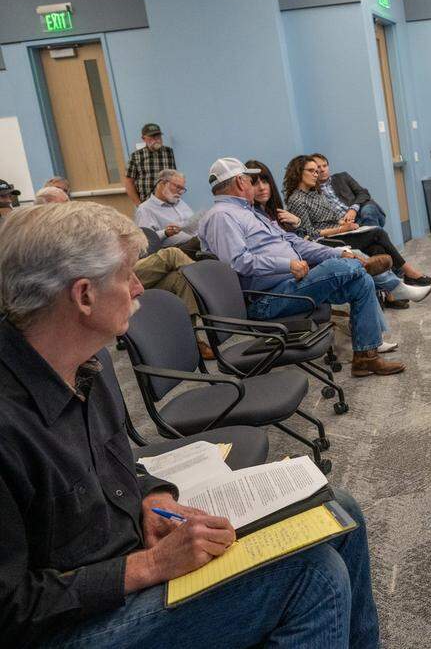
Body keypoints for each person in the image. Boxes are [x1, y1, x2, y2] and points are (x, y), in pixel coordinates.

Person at [0, 201, 380, 647]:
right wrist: (151, 567)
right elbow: (10, 609)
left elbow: (115, 467)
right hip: (69, 624)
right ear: (83, 296)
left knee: (338, 509)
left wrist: (150, 498)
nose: (140, 287)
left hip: (120, 558)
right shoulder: (10, 423)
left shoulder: (85, 364)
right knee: (311, 577)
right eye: (127, 276)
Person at [198, 157, 404, 375]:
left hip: (291, 285)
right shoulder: (222, 217)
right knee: (340, 268)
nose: (253, 185)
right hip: (268, 299)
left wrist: (339, 251)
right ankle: (362, 265)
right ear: (240, 182)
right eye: (250, 180)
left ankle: (365, 358)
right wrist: (288, 264)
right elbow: (237, 262)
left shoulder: (250, 212)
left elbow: (293, 241)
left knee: (360, 281)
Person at [282, 156, 431, 305]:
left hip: (341, 232)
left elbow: (335, 217)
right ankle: (405, 277)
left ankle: (393, 290)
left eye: (317, 170)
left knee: (377, 247)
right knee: (378, 233)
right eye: (312, 171)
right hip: (326, 242)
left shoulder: (316, 193)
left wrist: (347, 223)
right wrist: (342, 228)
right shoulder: (296, 200)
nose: (316, 174)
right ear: (298, 172)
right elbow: (309, 234)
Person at [311, 153, 387, 229]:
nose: (323, 170)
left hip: (362, 211)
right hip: (344, 224)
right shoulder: (312, 192)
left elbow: (363, 193)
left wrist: (353, 209)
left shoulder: (342, 177)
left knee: (368, 211)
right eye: (318, 167)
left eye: (325, 166)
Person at [134, 168, 200, 253]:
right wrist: (165, 233)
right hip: (176, 251)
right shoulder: (145, 209)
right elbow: (145, 240)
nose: (180, 192)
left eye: (183, 189)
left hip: (195, 243)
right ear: (162, 184)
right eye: (178, 187)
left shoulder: (180, 202)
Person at [124, 123, 177, 205]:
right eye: (152, 137)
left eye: (158, 136)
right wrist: (138, 204)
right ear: (144, 139)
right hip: (147, 204)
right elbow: (128, 182)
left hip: (168, 203)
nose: (156, 140)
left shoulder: (169, 152)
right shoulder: (136, 156)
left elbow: (175, 177)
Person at [246, 158, 303, 231]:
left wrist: (297, 223)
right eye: (255, 183)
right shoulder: (250, 216)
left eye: (264, 182)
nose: (262, 188)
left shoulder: (274, 211)